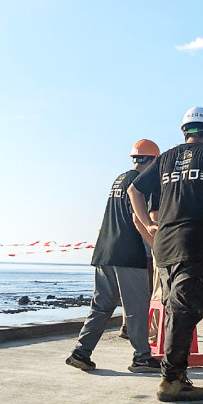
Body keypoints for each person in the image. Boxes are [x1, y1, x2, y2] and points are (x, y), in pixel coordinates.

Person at [128, 107, 203, 402]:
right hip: (195, 243)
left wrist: (148, 224)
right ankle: (172, 379)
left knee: (176, 309)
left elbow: (134, 190)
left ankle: (174, 373)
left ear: (184, 132)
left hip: (164, 246)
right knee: (186, 309)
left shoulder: (165, 158)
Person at [66, 139, 160, 374]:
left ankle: (81, 352)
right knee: (137, 306)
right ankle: (141, 357)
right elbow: (139, 220)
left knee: (101, 306)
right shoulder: (141, 183)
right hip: (128, 252)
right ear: (152, 160)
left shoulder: (119, 178)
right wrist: (156, 247)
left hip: (104, 251)